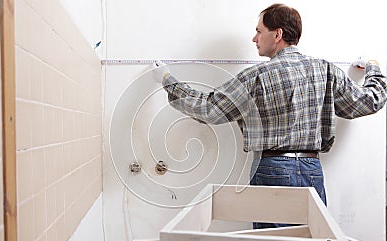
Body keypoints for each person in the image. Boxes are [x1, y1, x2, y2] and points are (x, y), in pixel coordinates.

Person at [153, 3, 387, 228]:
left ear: (278, 34)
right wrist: (373, 66)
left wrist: (167, 81)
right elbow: (368, 102)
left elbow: (209, 109)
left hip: (271, 168)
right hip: (311, 170)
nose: (254, 38)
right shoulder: (325, 71)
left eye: (258, 31)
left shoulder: (255, 77)